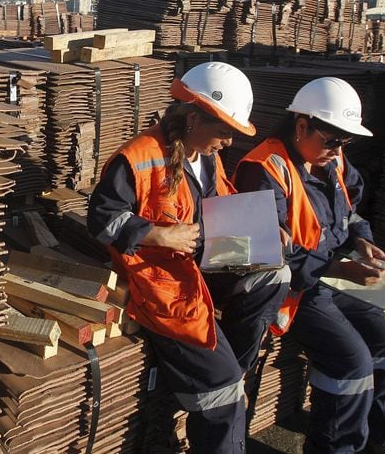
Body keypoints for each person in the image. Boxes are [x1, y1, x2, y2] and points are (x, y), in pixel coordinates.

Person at [88, 62, 290, 454]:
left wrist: (263, 229)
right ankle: (221, 382)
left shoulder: (205, 155)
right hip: (162, 281)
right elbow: (101, 219)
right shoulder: (139, 156)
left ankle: (223, 372)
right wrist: (157, 234)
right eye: (224, 132)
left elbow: (217, 204)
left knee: (274, 274)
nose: (228, 143)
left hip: (200, 261)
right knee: (223, 392)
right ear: (194, 118)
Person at [233, 77, 385, 454]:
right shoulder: (263, 169)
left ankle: (383, 438)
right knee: (352, 361)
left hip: (333, 277)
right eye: (332, 140)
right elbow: (267, 252)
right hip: (294, 290)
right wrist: (341, 270)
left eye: (345, 142)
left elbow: (352, 211)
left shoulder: (333, 159)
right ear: (301, 126)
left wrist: (362, 240)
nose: (338, 149)